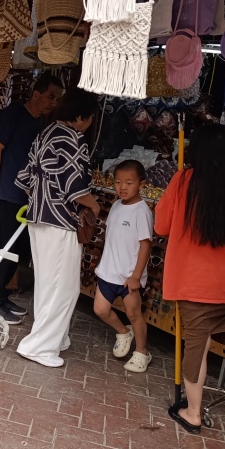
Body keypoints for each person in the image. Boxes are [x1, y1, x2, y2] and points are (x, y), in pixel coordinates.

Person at [158, 124, 225, 434]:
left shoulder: (184, 180)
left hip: (195, 284)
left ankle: (192, 413)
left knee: (197, 347)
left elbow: (161, 226)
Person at [14, 88, 100, 368]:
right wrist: (95, 206)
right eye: (90, 117)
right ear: (82, 116)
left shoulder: (45, 133)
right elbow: (75, 187)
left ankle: (55, 338)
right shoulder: (73, 139)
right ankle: (39, 346)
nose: (90, 123)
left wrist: (42, 199)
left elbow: (24, 179)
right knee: (63, 288)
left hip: (38, 218)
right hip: (61, 221)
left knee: (47, 284)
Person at [0, 73, 64, 324]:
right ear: (36, 94)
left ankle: (0, 296)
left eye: (57, 99)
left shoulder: (38, 124)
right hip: (7, 195)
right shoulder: (13, 114)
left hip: (26, 198)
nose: (53, 103)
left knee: (14, 250)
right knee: (2, 248)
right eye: (50, 96)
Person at [93, 160, 154, 373]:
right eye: (118, 182)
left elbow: (145, 245)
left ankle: (142, 352)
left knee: (134, 314)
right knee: (100, 310)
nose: (122, 187)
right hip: (108, 272)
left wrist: (136, 276)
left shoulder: (142, 211)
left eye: (129, 182)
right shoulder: (116, 206)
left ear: (141, 185)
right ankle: (123, 332)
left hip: (129, 276)